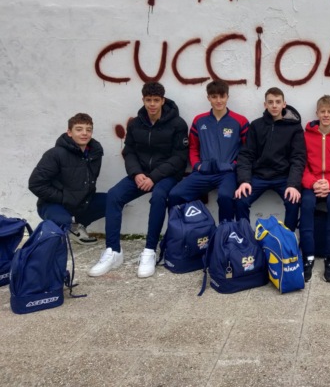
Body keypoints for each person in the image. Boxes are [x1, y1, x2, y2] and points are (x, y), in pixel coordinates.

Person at [88, 82, 188, 278]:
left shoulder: (177, 124)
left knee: (158, 197)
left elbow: (179, 158)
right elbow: (130, 151)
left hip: (166, 176)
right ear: (143, 100)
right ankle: (113, 251)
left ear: (163, 100)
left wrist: (154, 177)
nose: (152, 104)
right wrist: (136, 173)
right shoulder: (135, 123)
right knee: (114, 195)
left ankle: (149, 251)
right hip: (140, 175)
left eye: (156, 100)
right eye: (148, 100)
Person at [167, 80, 249, 221]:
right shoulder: (199, 120)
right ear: (208, 98)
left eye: (222, 96)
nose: (218, 100)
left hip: (227, 173)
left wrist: (234, 165)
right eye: (214, 97)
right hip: (203, 172)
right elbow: (193, 147)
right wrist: (197, 165)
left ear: (227, 97)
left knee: (225, 197)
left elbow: (246, 150)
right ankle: (179, 231)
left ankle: (225, 232)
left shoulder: (240, 121)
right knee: (175, 195)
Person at [234, 87, 306, 232]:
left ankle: (287, 239)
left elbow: (298, 158)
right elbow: (246, 155)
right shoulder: (256, 125)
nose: (274, 105)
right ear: (265, 104)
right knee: (240, 200)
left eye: (278, 102)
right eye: (270, 102)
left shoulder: (294, 128)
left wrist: (293, 184)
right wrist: (244, 181)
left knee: (293, 201)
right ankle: (245, 237)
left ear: (284, 104)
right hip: (259, 176)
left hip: (283, 177)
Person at [28, 113, 105, 244]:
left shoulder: (94, 154)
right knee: (63, 220)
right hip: (53, 203)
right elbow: (35, 184)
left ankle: (76, 227)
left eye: (88, 130)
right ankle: (52, 237)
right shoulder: (55, 154)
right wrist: (64, 197)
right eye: (79, 129)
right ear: (69, 132)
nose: (84, 133)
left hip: (80, 202)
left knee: (114, 200)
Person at [299, 95, 330, 282]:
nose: (326, 115)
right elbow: (301, 165)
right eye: (323, 111)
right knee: (307, 203)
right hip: (311, 183)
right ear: (317, 113)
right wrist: (313, 183)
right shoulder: (306, 137)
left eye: (329, 112)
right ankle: (308, 255)